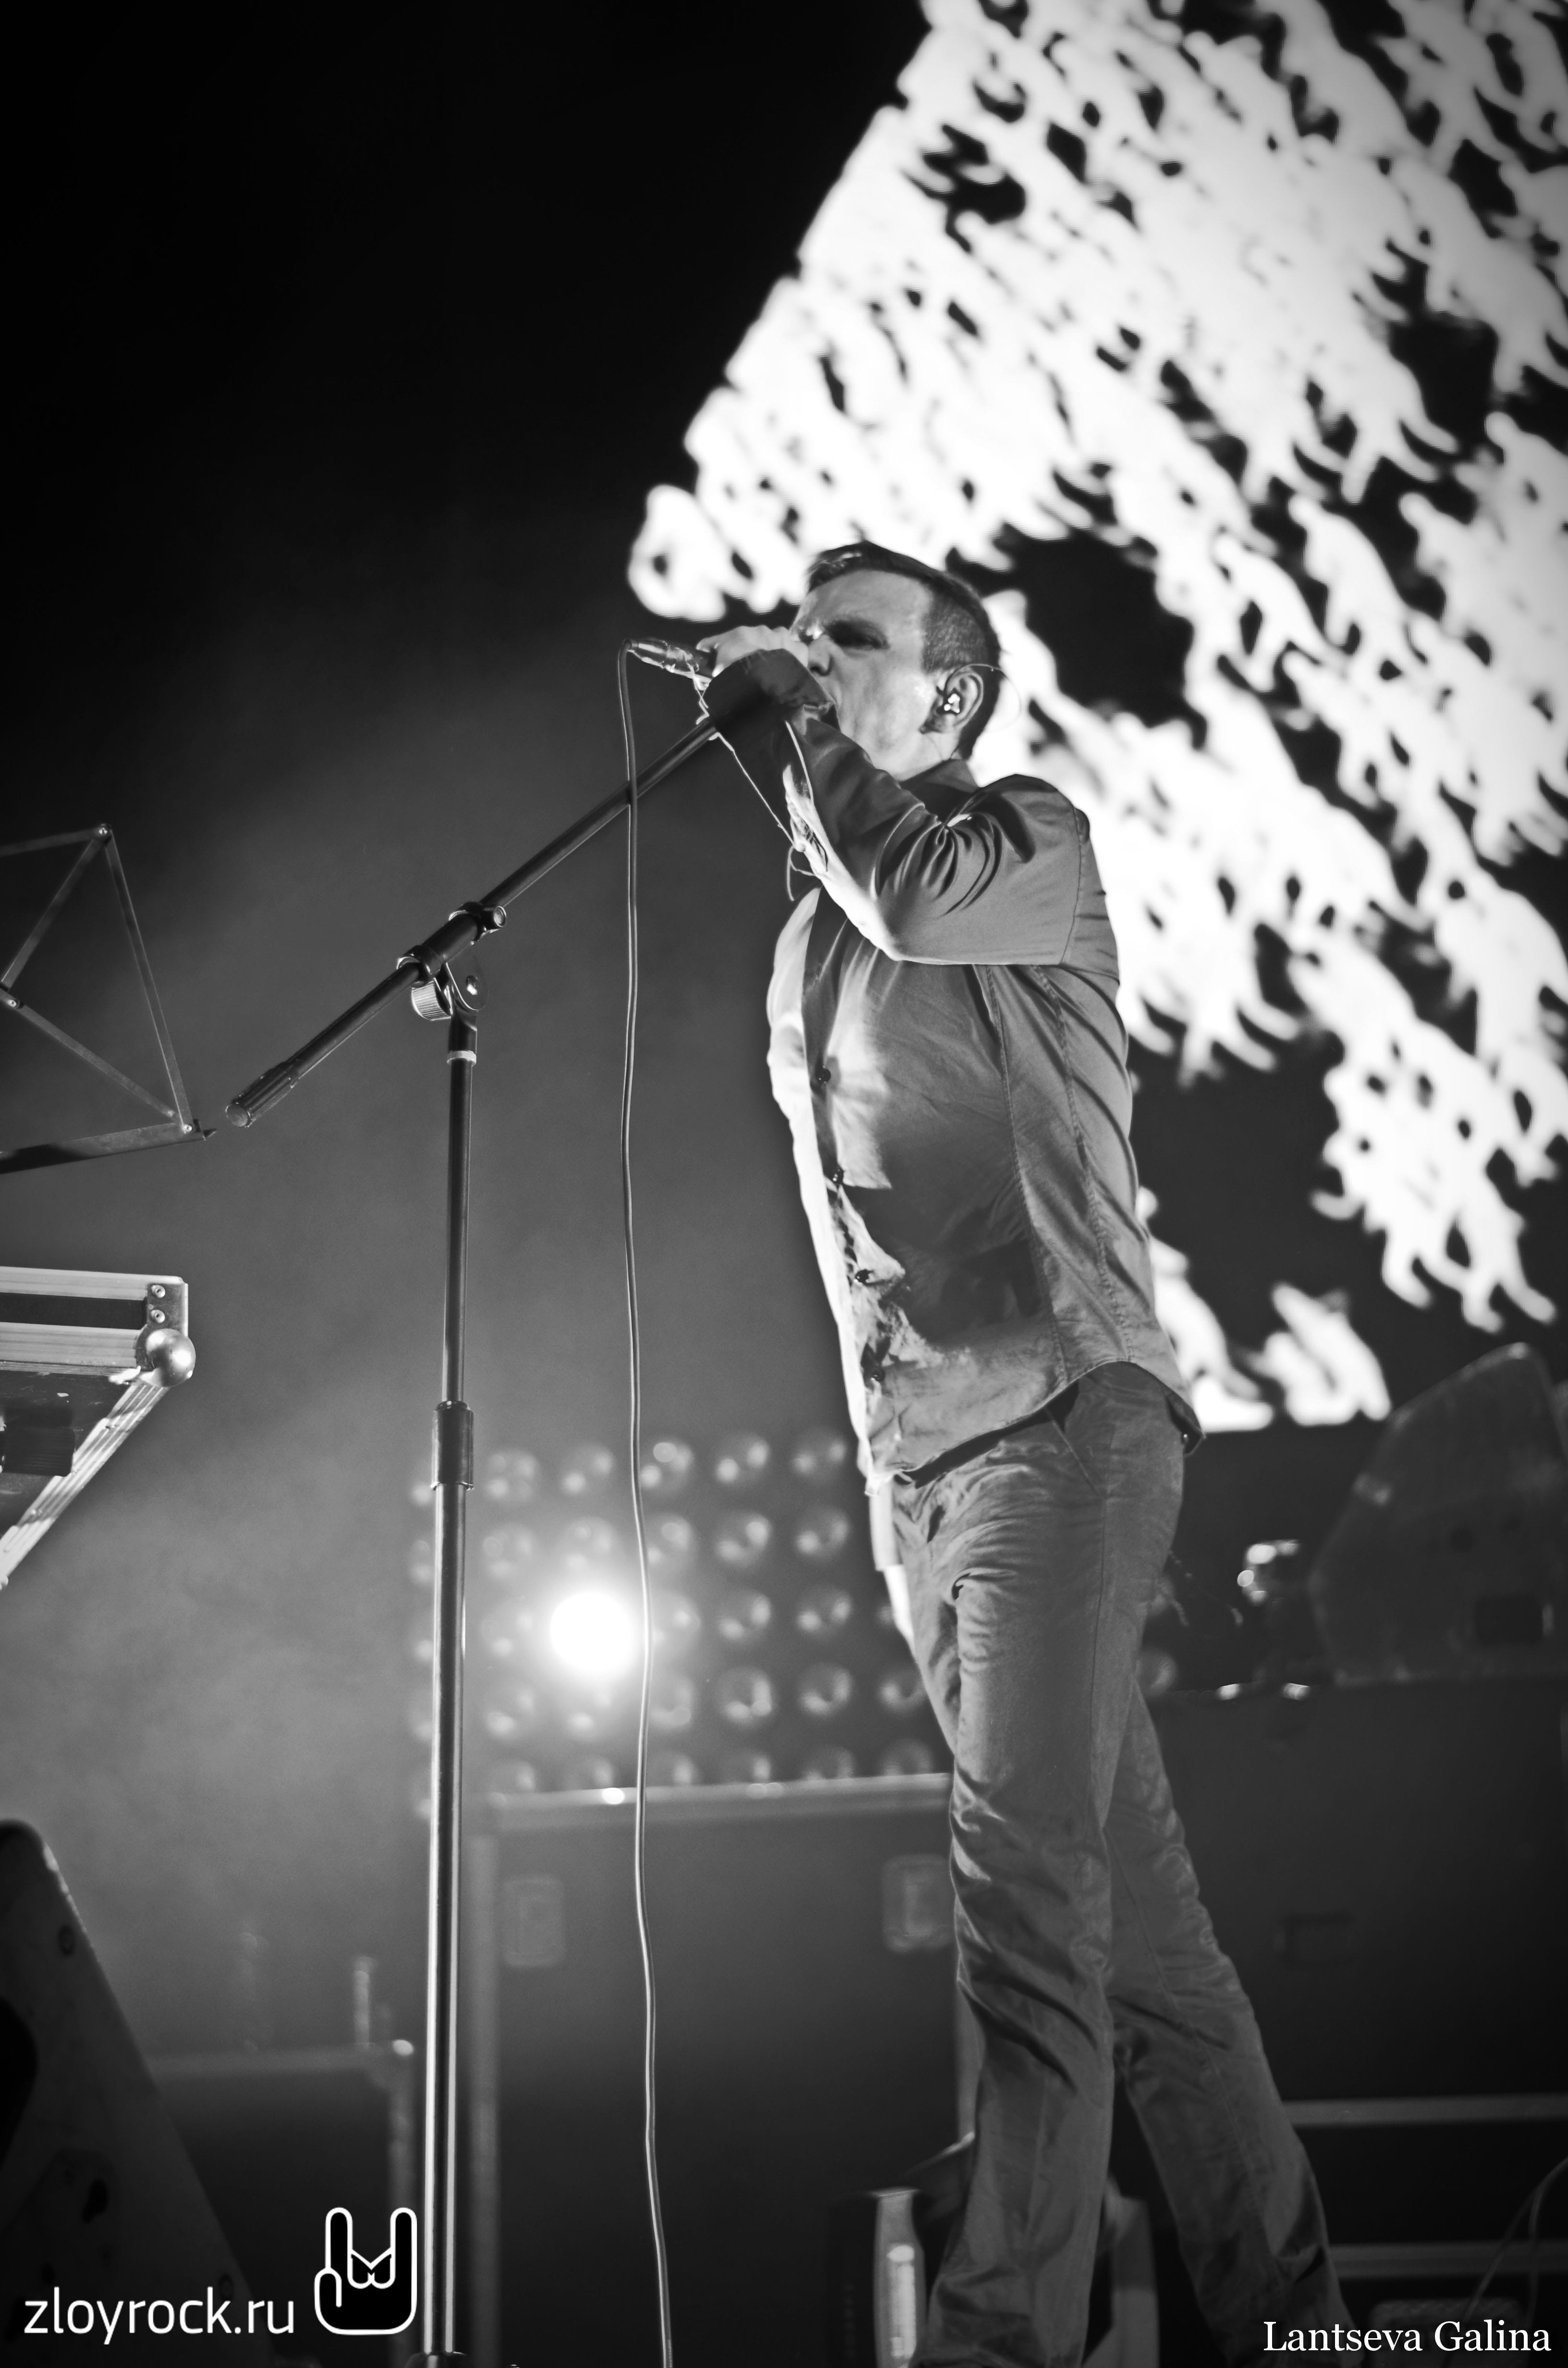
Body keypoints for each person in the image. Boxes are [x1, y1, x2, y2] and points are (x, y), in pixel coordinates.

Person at [698, 543, 1346, 2368]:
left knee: (1025, 1904)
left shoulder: (1019, 844)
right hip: (932, 1473)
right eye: (803, 643)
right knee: (1151, 1954)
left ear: (953, 695)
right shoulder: (810, 938)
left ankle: (1001, 2342)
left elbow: (908, 889)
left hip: (1064, 1423)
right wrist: (889, 1485)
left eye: (850, 645)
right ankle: (1305, 2325)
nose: (814, 665)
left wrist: (792, 723)